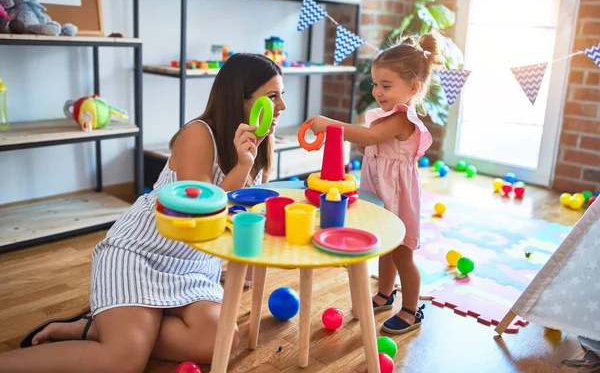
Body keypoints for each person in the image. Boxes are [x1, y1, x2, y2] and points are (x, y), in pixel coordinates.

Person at [0, 53, 287, 373]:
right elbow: (204, 214)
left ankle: (102, 327)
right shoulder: (198, 134)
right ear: (240, 97)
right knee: (124, 361)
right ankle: (114, 331)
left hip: (192, 265)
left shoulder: (260, 144)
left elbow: (240, 216)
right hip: (141, 253)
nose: (282, 107)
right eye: (272, 96)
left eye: (282, 96)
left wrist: (239, 264)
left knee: (222, 341)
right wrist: (243, 165)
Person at [304, 32, 442, 335]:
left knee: (402, 253)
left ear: (413, 88)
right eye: (375, 84)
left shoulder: (403, 118)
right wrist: (357, 146)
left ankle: (410, 309)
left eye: (386, 85)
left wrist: (331, 124)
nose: (378, 91)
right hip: (378, 191)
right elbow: (369, 147)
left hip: (398, 195)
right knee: (383, 246)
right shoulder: (383, 116)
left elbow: (367, 137)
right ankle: (385, 293)